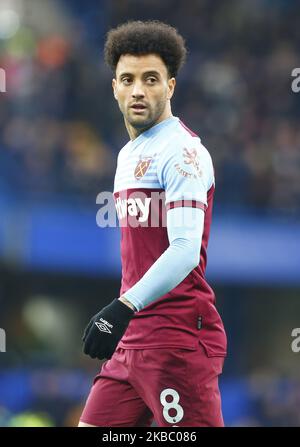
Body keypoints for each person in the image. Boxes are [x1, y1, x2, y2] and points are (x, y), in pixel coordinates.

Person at [79, 20, 227, 427]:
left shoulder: (182, 152)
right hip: (131, 341)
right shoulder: (129, 154)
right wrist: (127, 313)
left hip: (176, 340)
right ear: (115, 88)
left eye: (151, 79)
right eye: (128, 79)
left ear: (171, 86)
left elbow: (182, 250)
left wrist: (124, 305)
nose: (138, 90)